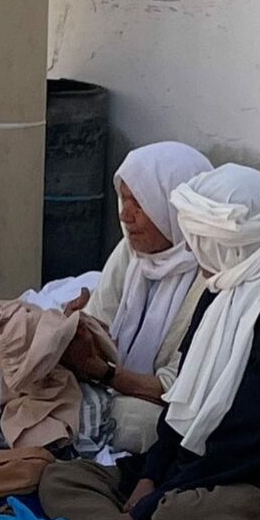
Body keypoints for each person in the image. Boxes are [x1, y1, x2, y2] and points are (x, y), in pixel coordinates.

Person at [41, 164, 260, 520]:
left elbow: (248, 446)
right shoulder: (221, 294)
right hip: (192, 469)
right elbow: (180, 402)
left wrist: (152, 506)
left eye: (199, 238)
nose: (192, 248)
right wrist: (150, 477)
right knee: (63, 477)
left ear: (226, 240)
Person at [62, 142, 213, 452]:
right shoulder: (133, 251)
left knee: (142, 425)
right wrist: (77, 330)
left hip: (159, 404)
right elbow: (101, 322)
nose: (125, 216)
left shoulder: (209, 277)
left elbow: (178, 391)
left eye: (140, 204)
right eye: (123, 200)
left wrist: (103, 372)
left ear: (175, 210)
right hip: (107, 385)